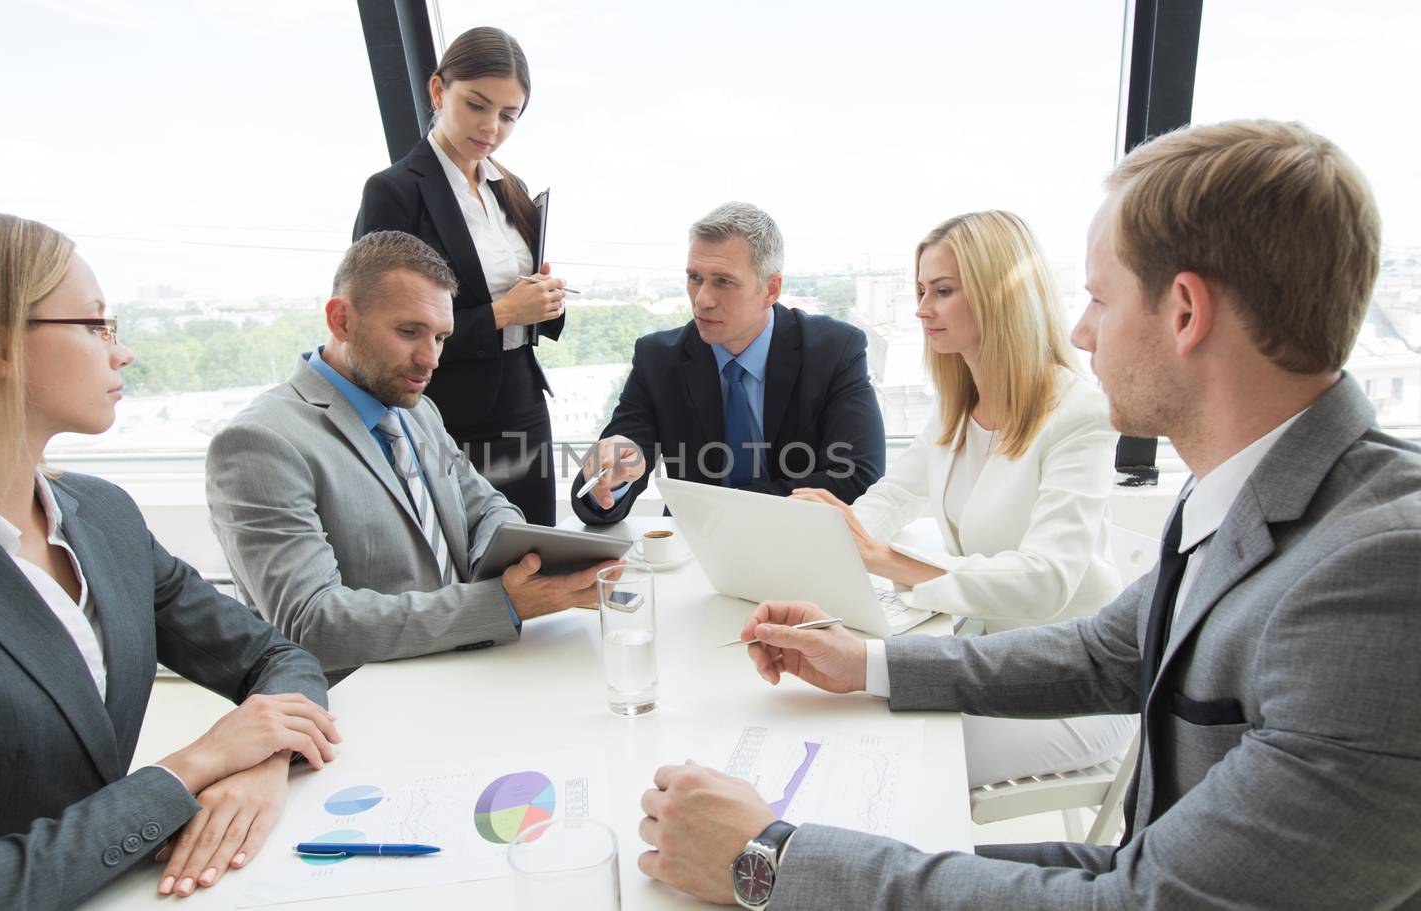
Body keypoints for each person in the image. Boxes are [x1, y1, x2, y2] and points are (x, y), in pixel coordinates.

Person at [637, 120, 1421, 908]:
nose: (1080, 331)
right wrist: (865, 664)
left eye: (1100, 299)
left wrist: (770, 862)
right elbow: (1103, 654)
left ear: (1184, 312)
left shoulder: (1377, 577)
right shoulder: (1239, 488)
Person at [0, 207, 341, 910]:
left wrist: (266, 762)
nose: (120, 352)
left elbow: (277, 659)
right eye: (97, 324)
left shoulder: (103, 516)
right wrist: (194, 765)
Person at [792, 210, 1134, 788]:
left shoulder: (1079, 413)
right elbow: (894, 495)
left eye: (943, 291)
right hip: (983, 654)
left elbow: (1047, 579)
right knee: (852, 709)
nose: (922, 308)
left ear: (1004, 297)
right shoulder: (958, 406)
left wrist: (882, 558)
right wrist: (827, 538)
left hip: (1073, 686)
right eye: (921, 290)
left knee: (890, 754)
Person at [206, 231, 610, 681]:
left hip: (464, 670)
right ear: (341, 320)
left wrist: (535, 566)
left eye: (440, 337)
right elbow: (313, 623)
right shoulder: (259, 442)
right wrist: (502, 603)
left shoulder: (416, 412)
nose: (431, 359)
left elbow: (484, 506)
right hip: (360, 710)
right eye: (409, 332)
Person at [354, 26, 566, 525]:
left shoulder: (509, 188)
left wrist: (546, 301)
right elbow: (381, 323)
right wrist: (500, 314)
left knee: (537, 543)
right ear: (438, 90)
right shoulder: (394, 191)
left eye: (508, 116)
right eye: (477, 105)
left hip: (523, 400)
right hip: (446, 411)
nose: (491, 126)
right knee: (467, 558)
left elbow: (523, 305)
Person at [572, 202, 886, 525]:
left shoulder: (833, 350)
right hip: (695, 551)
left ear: (771, 289)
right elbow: (598, 495)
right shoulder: (658, 360)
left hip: (797, 541)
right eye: (695, 277)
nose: (702, 299)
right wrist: (614, 478)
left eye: (723, 281)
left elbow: (860, 477)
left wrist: (724, 508)